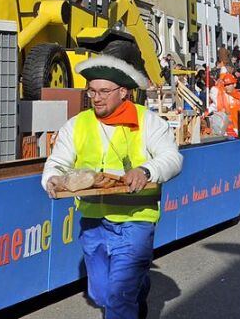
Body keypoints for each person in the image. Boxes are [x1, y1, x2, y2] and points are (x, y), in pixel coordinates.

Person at [42, 54, 183, 319]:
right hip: (93, 222)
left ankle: (131, 291)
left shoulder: (148, 122)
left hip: (135, 221)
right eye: (92, 91)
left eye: (104, 91)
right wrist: (52, 178)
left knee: (118, 298)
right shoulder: (77, 125)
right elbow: (57, 162)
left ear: (124, 92)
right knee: (100, 295)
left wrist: (146, 170)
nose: (96, 98)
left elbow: (172, 158)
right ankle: (139, 286)